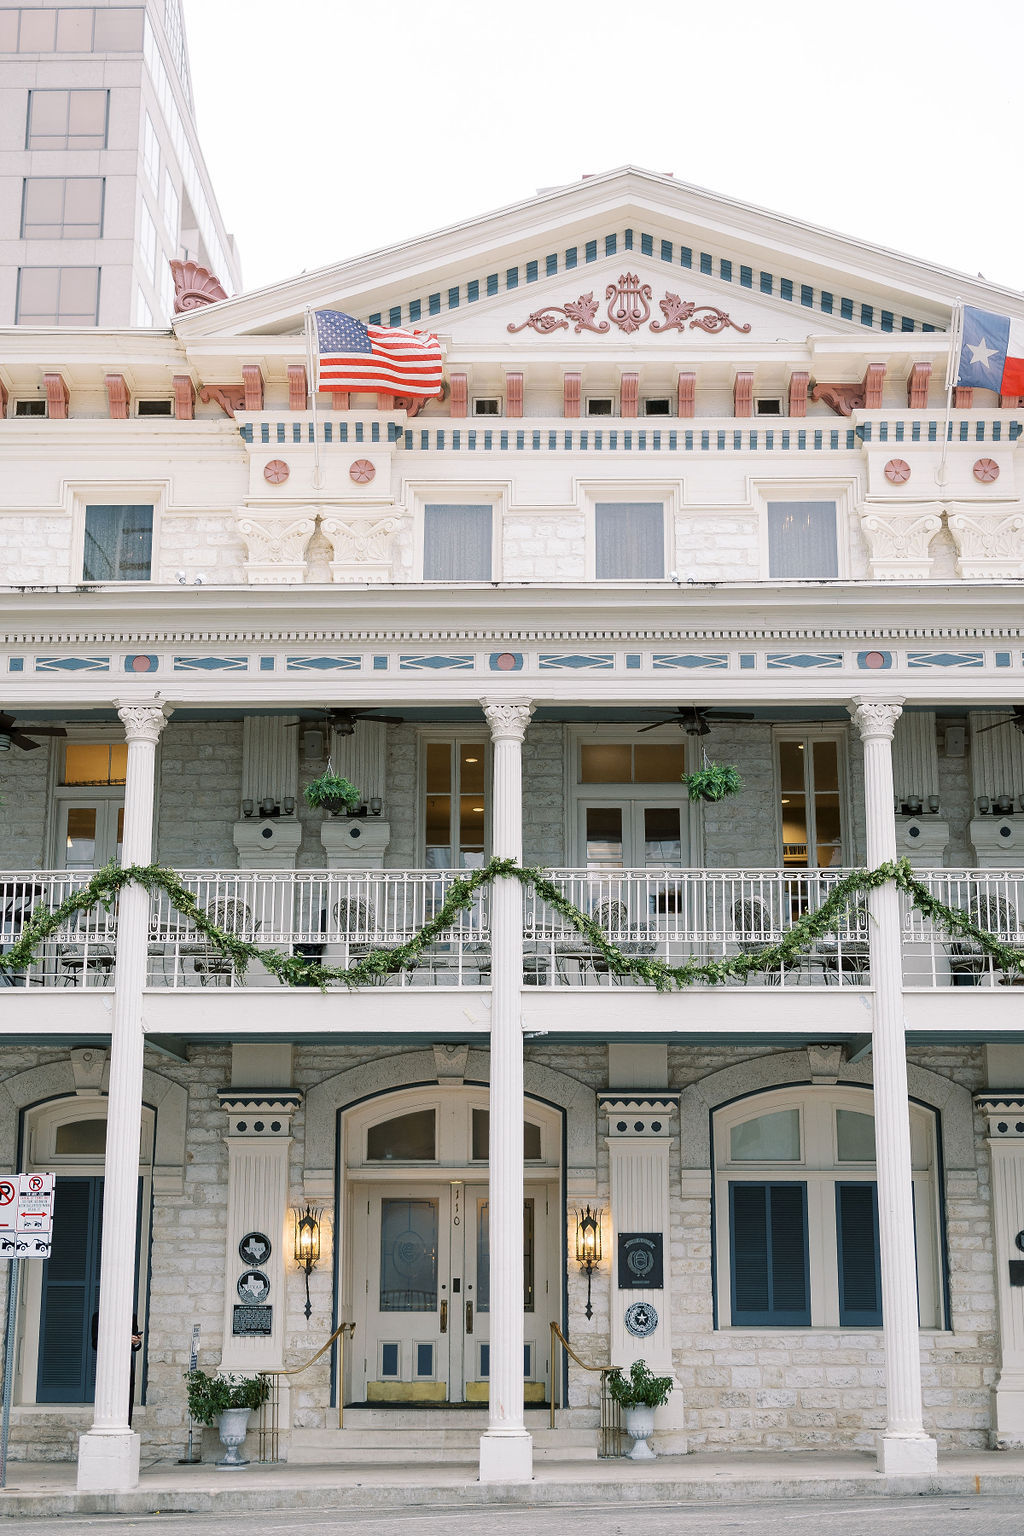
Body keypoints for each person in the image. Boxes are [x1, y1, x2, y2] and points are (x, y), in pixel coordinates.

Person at [90, 1310, 143, 1426]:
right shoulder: (98, 1316)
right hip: (107, 1368)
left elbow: (135, 1347)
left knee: (126, 1407)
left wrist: (136, 1342)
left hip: (127, 1369)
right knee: (107, 1406)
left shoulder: (131, 1316)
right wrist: (123, 1339)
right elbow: (95, 1343)